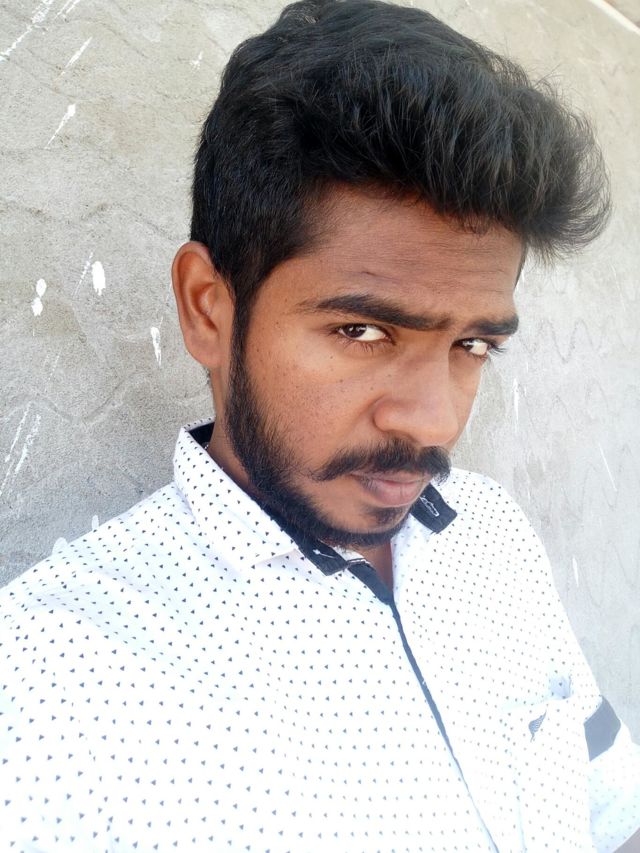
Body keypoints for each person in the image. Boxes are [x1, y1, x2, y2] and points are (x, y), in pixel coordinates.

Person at [1, 0, 638, 849]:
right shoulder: (51, 701)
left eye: (474, 344)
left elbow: (611, 810)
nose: (435, 420)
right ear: (208, 308)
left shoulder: (491, 533)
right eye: (362, 331)